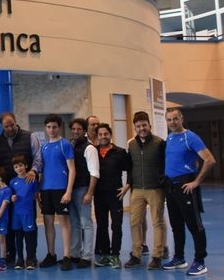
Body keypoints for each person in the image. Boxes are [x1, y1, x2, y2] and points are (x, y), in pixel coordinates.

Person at [162, 108, 216, 276]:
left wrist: (196, 182)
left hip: (185, 186)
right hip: (171, 187)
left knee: (194, 225)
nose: (172, 122)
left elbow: (209, 160)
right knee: (176, 225)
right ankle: (179, 258)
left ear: (181, 119)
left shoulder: (190, 137)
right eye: (169, 119)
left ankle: (200, 261)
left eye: (175, 119)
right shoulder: (170, 137)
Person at [0, 112, 42, 264]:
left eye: (12, 124)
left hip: (26, 188)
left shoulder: (30, 137)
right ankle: (12, 254)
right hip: (6, 190)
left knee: (30, 225)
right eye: (6, 126)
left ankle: (31, 256)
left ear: (16, 122)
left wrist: (33, 170)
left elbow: (38, 158)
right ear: (1, 126)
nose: (10, 128)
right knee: (9, 223)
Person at [126, 111, 167, 270]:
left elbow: (165, 164)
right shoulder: (131, 145)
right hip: (137, 190)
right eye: (138, 126)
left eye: (144, 125)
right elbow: (130, 168)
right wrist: (129, 184)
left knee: (157, 221)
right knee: (135, 222)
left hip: (155, 189)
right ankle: (136, 255)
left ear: (149, 125)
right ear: (135, 128)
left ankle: (157, 255)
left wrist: (162, 182)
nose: (142, 128)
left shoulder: (159, 143)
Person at [39, 114, 75, 269]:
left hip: (61, 189)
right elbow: (42, 170)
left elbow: (72, 170)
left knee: (64, 223)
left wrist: (68, 191)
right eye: (48, 127)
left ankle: (67, 256)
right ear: (45, 128)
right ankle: (51, 254)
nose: (51, 130)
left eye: (54, 127)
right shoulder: (44, 147)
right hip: (46, 189)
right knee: (48, 223)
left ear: (59, 127)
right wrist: (39, 190)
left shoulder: (65, 144)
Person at [94, 123, 131, 269]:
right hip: (99, 195)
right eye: (100, 134)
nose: (103, 137)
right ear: (97, 137)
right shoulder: (93, 152)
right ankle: (105, 255)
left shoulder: (120, 152)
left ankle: (115, 255)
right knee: (102, 225)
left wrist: (127, 186)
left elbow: (130, 170)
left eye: (106, 134)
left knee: (116, 225)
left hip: (115, 194)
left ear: (110, 135)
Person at [68, 118, 99, 270]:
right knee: (74, 222)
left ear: (84, 130)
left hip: (83, 189)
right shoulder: (70, 145)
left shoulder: (90, 148)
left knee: (86, 222)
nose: (75, 131)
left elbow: (94, 173)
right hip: (71, 189)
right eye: (73, 129)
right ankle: (74, 253)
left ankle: (86, 256)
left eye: (79, 129)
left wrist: (89, 192)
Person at [9, 155, 39, 270]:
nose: (19, 168)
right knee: (18, 237)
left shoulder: (32, 180)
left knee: (29, 237)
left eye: (21, 165)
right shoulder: (13, 182)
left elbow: (36, 194)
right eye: (16, 167)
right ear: (14, 169)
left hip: (28, 213)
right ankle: (20, 259)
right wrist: (12, 198)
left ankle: (30, 259)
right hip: (16, 214)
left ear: (26, 166)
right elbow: (11, 196)